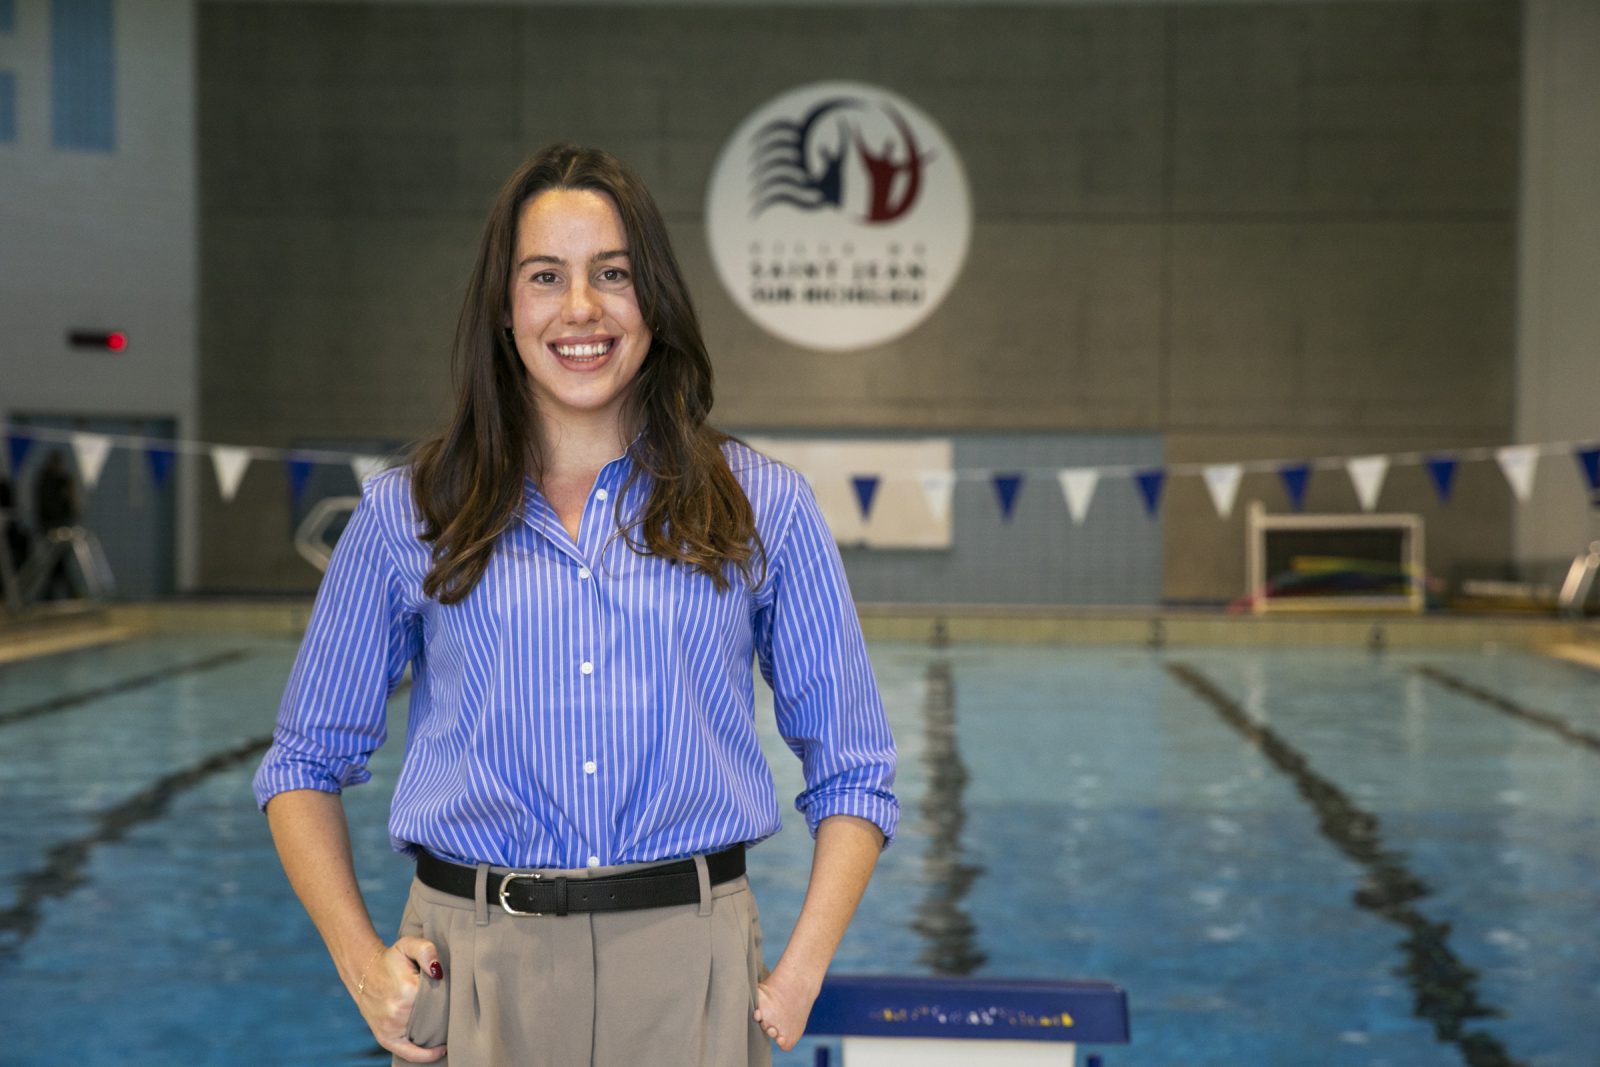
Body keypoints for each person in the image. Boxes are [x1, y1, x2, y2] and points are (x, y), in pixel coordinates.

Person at [252, 144, 898, 1067]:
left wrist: (798, 971)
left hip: (693, 963)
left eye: (614, 275)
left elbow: (857, 769)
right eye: (545, 276)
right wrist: (363, 966)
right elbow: (303, 763)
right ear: (504, 308)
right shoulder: (411, 512)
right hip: (471, 967)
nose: (581, 309)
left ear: (656, 303)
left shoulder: (761, 506)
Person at [33, 450, 80, 600]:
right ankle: (64, 594)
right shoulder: (46, 482)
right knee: (55, 564)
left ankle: (51, 595)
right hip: (50, 526)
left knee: (57, 564)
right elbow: (47, 506)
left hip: (59, 526)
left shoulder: (61, 481)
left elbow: (71, 505)